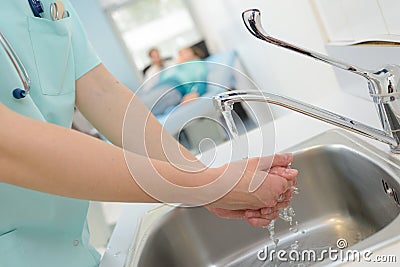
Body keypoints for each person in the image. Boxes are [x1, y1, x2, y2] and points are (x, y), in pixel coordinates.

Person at [0, 1, 297, 267]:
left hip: (71, 248)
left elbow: (103, 93)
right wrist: (206, 185)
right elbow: (9, 147)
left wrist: (203, 179)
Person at [139, 46, 209, 115]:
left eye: (184, 51)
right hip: (157, 88)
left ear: (193, 54)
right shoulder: (176, 67)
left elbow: (201, 79)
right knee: (137, 103)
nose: (180, 53)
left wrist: (196, 93)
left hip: (173, 88)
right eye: (179, 52)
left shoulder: (196, 63)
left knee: (139, 109)